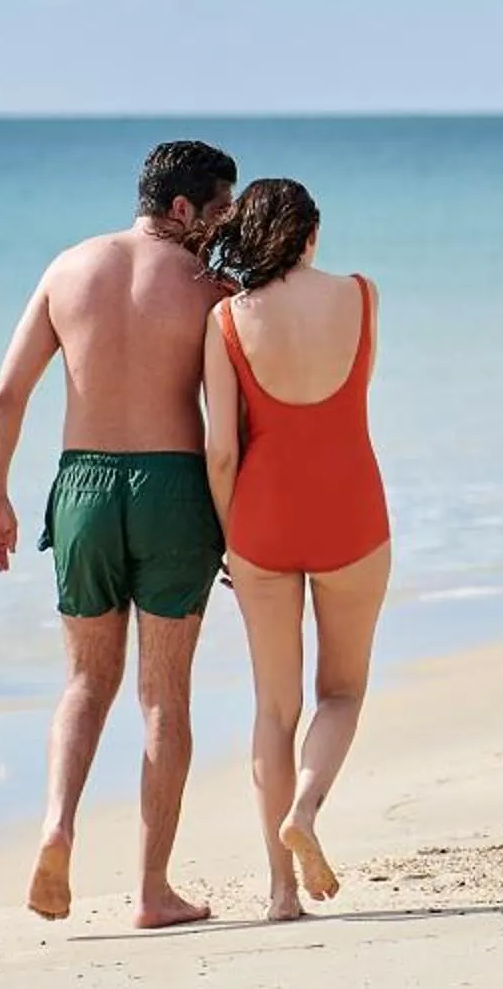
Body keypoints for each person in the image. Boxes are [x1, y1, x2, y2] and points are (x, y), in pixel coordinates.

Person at [0, 138, 236, 929]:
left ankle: (57, 826)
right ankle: (153, 892)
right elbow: (233, 425)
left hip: (82, 486)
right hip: (173, 487)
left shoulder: (68, 267)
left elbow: (3, 397)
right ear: (183, 207)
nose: (224, 226)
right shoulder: (210, 290)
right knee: (165, 697)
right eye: (219, 209)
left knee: (86, 682)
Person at [199, 178, 392, 922]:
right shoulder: (363, 296)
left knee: (272, 709)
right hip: (351, 512)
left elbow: (222, 450)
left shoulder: (225, 321)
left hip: (264, 522)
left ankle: (281, 893)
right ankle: (307, 810)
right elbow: (352, 399)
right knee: (340, 693)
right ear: (310, 234)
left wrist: (228, 536)